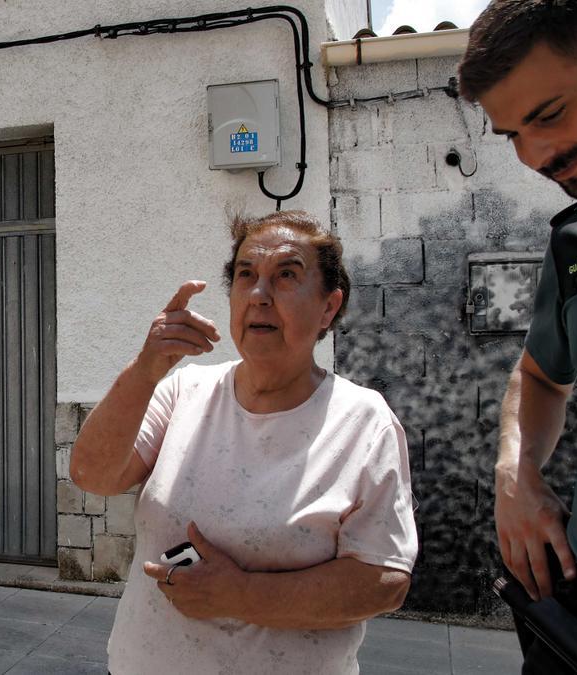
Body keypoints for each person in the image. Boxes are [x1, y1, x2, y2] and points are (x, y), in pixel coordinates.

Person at [70, 211, 418, 674]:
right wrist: (146, 369)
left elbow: (384, 580)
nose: (259, 295)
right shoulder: (185, 391)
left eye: (286, 276)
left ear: (328, 308)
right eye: (245, 275)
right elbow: (92, 475)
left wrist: (241, 595)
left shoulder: (363, 423)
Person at [458, 1, 577, 670]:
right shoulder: (573, 244)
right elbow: (539, 375)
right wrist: (516, 466)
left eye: (549, 114)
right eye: (512, 134)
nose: (536, 155)